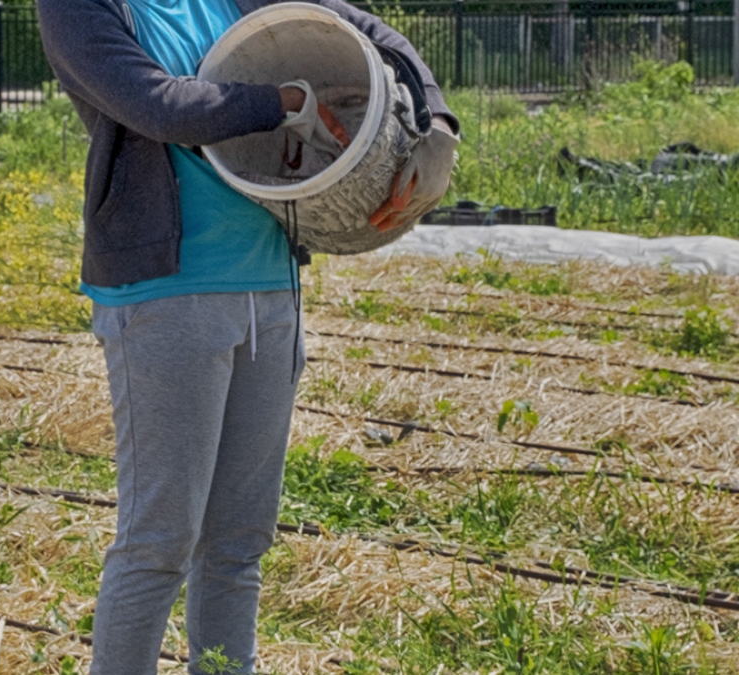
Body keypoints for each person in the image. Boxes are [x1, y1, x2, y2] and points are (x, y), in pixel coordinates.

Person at [36, 1, 459, 673]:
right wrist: (285, 100)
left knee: (239, 539)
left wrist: (437, 126)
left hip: (270, 286)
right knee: (159, 541)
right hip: (166, 294)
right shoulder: (78, 8)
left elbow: (374, 35)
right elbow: (160, 107)